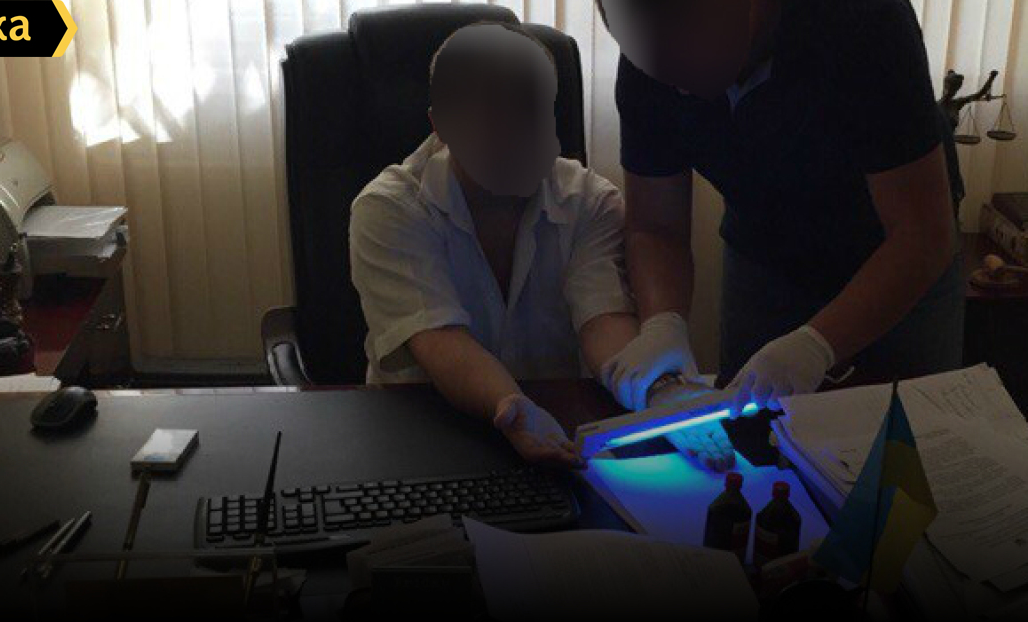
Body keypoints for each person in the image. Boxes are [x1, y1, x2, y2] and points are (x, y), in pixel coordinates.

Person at [349, 22, 737, 470]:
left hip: (558, 429)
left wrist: (660, 391)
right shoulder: (389, 209)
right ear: (442, 125)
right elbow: (440, 340)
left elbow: (603, 319)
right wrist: (511, 406)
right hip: (425, 434)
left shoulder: (590, 201)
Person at [597, 0, 965, 416]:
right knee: (748, 433)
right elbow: (655, 227)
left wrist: (816, 345)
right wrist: (662, 322)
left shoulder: (863, 18)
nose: (677, 91)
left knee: (902, 437)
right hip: (764, 257)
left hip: (896, 262)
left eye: (683, 66)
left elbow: (921, 233)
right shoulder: (652, 53)